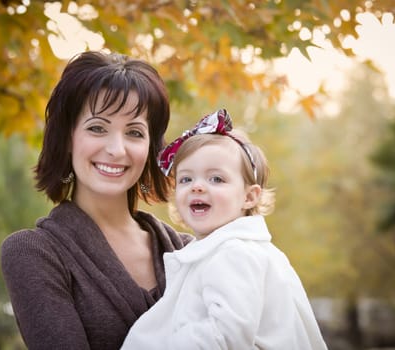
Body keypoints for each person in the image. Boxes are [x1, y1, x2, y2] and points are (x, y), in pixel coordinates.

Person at [0, 51, 193, 350]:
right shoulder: (34, 253)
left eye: (134, 132)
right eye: (97, 128)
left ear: (150, 148)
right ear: (67, 138)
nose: (116, 149)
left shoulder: (192, 253)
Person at [121, 109, 328, 349]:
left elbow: (227, 335)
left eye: (216, 179)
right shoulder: (225, 249)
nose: (197, 187)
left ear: (249, 197)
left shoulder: (234, 254)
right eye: (186, 179)